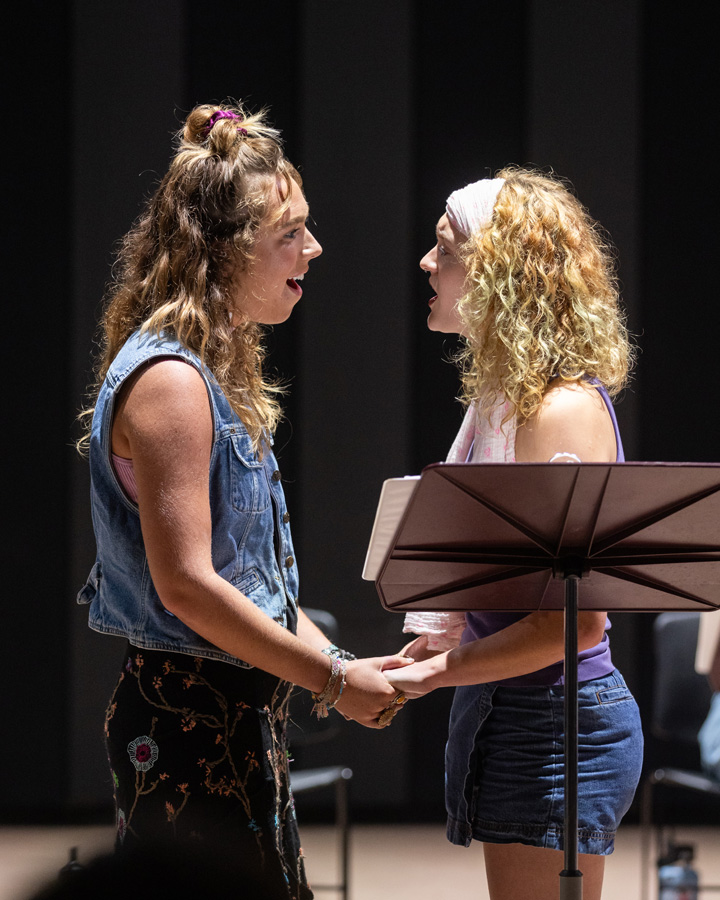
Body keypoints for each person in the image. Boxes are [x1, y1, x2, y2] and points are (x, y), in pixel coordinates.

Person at [76, 101, 409, 900]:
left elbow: (254, 584)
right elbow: (187, 586)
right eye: (288, 234)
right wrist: (333, 685)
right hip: (185, 719)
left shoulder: (206, 374)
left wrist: (344, 667)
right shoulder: (170, 383)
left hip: (229, 718)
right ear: (220, 252)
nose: (313, 248)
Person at [384, 169, 643, 900]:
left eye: (445, 249)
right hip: (518, 708)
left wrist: (436, 674)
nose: (428, 265)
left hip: (555, 720)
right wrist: (436, 647)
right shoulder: (510, 401)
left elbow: (575, 621)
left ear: (497, 273)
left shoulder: (558, 411)